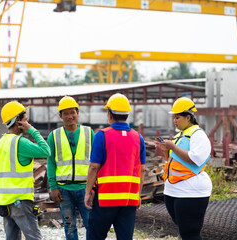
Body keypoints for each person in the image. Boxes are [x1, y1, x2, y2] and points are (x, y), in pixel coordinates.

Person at [84, 93, 146, 240]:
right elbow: (142, 169)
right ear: (127, 115)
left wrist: (87, 192)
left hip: (105, 198)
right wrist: (138, 194)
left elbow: (94, 167)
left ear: (109, 114)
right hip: (128, 199)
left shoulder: (102, 135)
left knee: (95, 236)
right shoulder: (138, 137)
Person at [0, 101, 50, 240]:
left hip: (4, 202)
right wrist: (32, 130)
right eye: (25, 119)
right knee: (34, 238)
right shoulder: (20, 142)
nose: (27, 122)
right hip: (20, 202)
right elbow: (46, 151)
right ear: (18, 120)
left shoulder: (0, 143)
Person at [156, 97, 212, 240]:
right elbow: (175, 161)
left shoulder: (198, 135)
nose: (175, 120)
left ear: (188, 117)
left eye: (178, 117)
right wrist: (165, 149)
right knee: (184, 229)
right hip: (175, 189)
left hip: (191, 191)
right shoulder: (179, 135)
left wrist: (173, 147)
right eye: (174, 117)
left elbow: (196, 159)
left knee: (190, 232)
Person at [46, 96, 95, 240]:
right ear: (60, 115)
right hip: (63, 190)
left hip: (85, 189)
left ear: (78, 112)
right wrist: (53, 186)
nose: (70, 116)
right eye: (65, 113)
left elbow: (95, 162)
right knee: (69, 227)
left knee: (91, 225)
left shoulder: (89, 133)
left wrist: (93, 186)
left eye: (72, 112)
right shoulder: (53, 136)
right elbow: (51, 162)